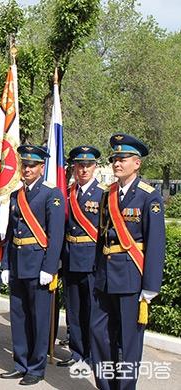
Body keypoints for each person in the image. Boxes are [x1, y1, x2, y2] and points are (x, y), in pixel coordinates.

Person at [91, 134, 165, 390]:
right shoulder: (107, 194)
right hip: (105, 277)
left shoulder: (149, 197)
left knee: (129, 341)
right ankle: (106, 385)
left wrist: (150, 285)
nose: (116, 163)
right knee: (98, 333)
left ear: (137, 163)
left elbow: (156, 243)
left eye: (122, 159)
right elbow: (103, 236)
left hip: (131, 277)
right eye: (114, 159)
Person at [0, 145, 65, 386]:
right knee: (19, 317)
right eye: (24, 165)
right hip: (17, 262)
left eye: (32, 165)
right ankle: (21, 363)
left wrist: (50, 268)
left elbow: (55, 235)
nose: (27, 169)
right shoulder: (17, 194)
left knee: (38, 319)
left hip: (39, 266)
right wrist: (6, 264)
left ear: (41, 168)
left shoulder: (52, 193)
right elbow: (9, 231)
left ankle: (36, 368)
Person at [57, 146, 106, 368]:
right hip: (70, 258)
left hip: (93, 260)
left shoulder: (104, 194)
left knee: (93, 311)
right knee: (74, 310)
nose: (83, 169)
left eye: (88, 165)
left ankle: (93, 355)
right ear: (74, 167)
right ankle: (77, 353)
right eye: (79, 165)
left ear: (95, 167)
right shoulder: (67, 193)